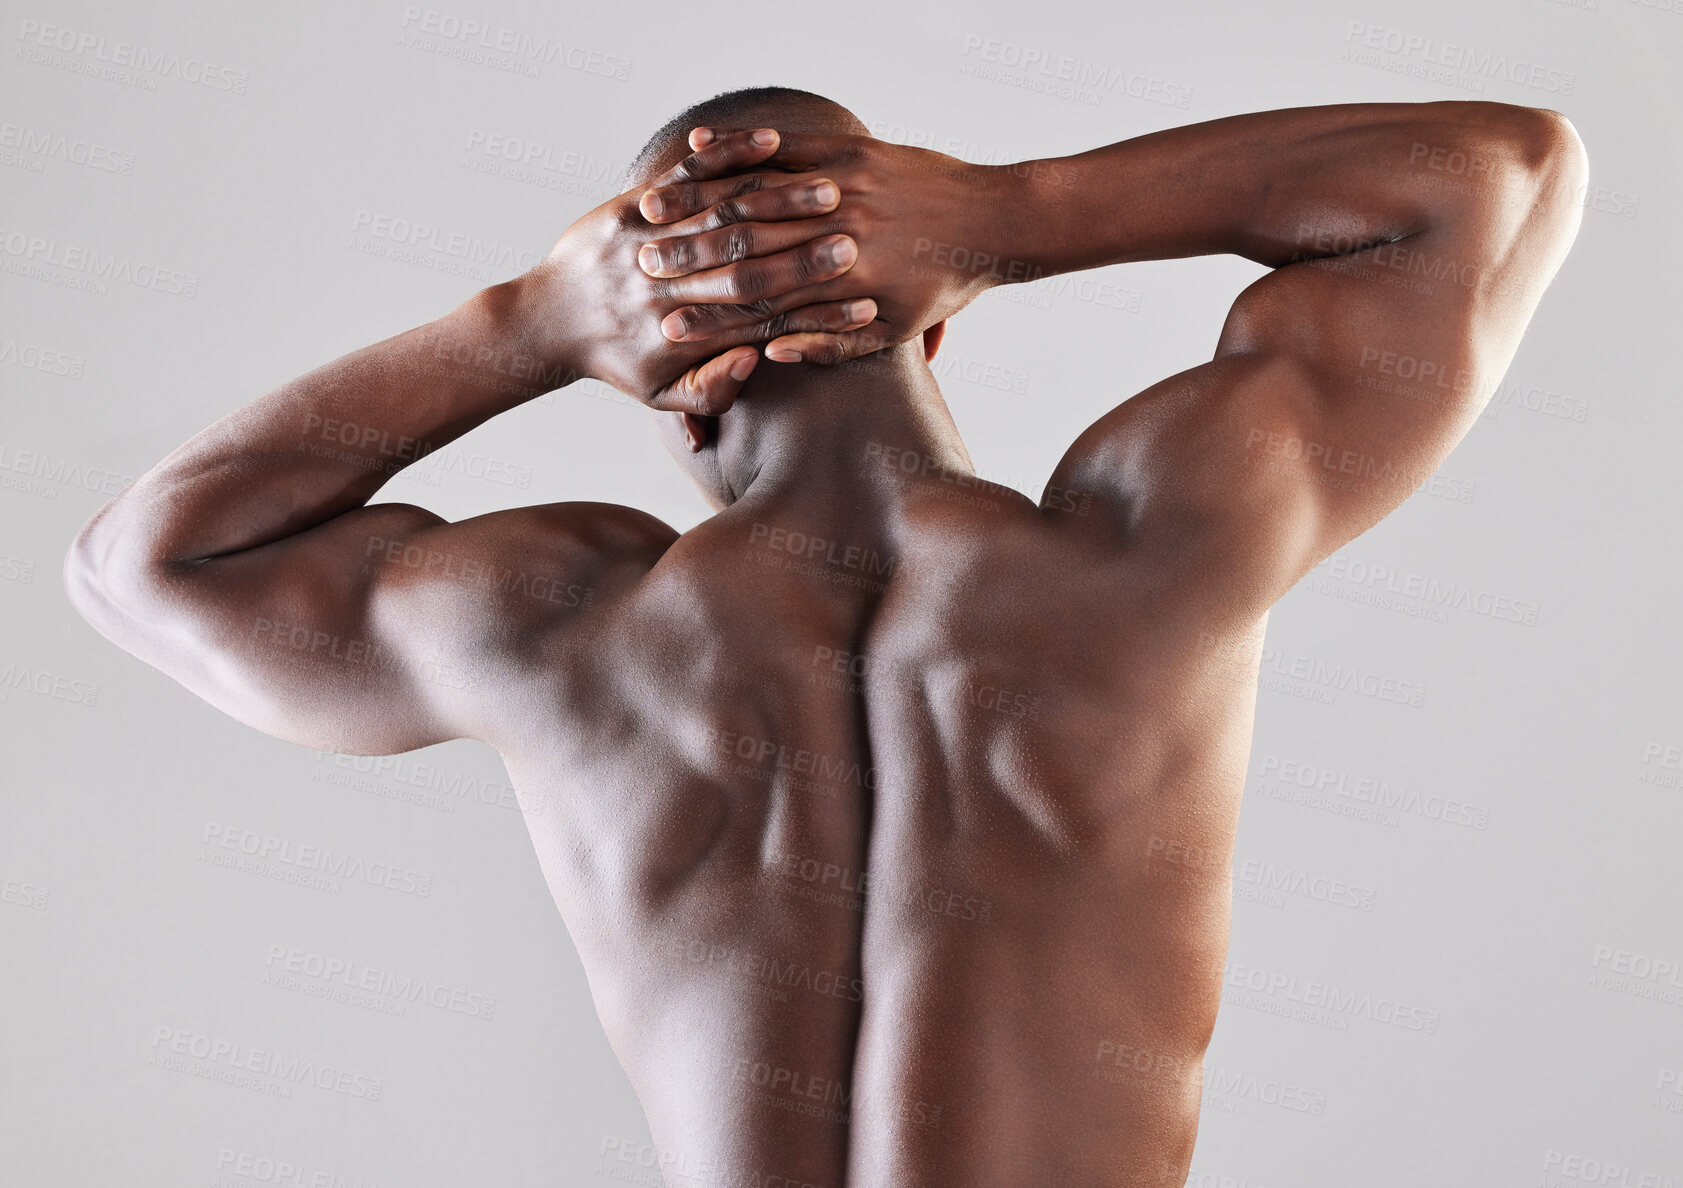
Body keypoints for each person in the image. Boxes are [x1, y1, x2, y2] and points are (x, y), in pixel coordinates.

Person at [65, 87, 1586, 1186]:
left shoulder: (560, 630)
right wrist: (1008, 214)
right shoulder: (1150, 550)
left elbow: (144, 567)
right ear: (932, 323)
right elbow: (1494, 172)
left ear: (671, 383)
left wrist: (531, 322)